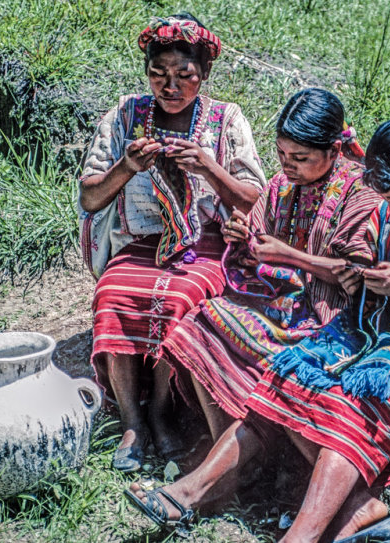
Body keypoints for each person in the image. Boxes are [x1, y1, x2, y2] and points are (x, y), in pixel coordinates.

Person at [125, 116, 390, 543]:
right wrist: (358, 272)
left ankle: (302, 536)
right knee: (289, 374)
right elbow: (366, 254)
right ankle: (217, 491)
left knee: (358, 398)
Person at [77, 13, 266, 472]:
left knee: (179, 296)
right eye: (158, 74)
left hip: (204, 244)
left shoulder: (225, 120)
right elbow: (90, 195)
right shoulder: (126, 116)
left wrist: (207, 168)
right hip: (140, 242)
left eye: (185, 76)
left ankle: (161, 410)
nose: (171, 86)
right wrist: (125, 167)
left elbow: (254, 195)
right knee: (114, 294)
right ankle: (132, 420)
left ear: (204, 75)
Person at [160, 87, 381, 442]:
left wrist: (289, 257)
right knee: (198, 324)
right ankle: (225, 439)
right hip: (281, 304)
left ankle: (252, 447)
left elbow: (359, 276)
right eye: (280, 153)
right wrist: (242, 237)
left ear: (335, 151)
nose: (286, 164)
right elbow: (255, 245)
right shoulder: (281, 185)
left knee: (279, 360)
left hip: (332, 321)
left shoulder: (362, 194)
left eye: (300, 157)